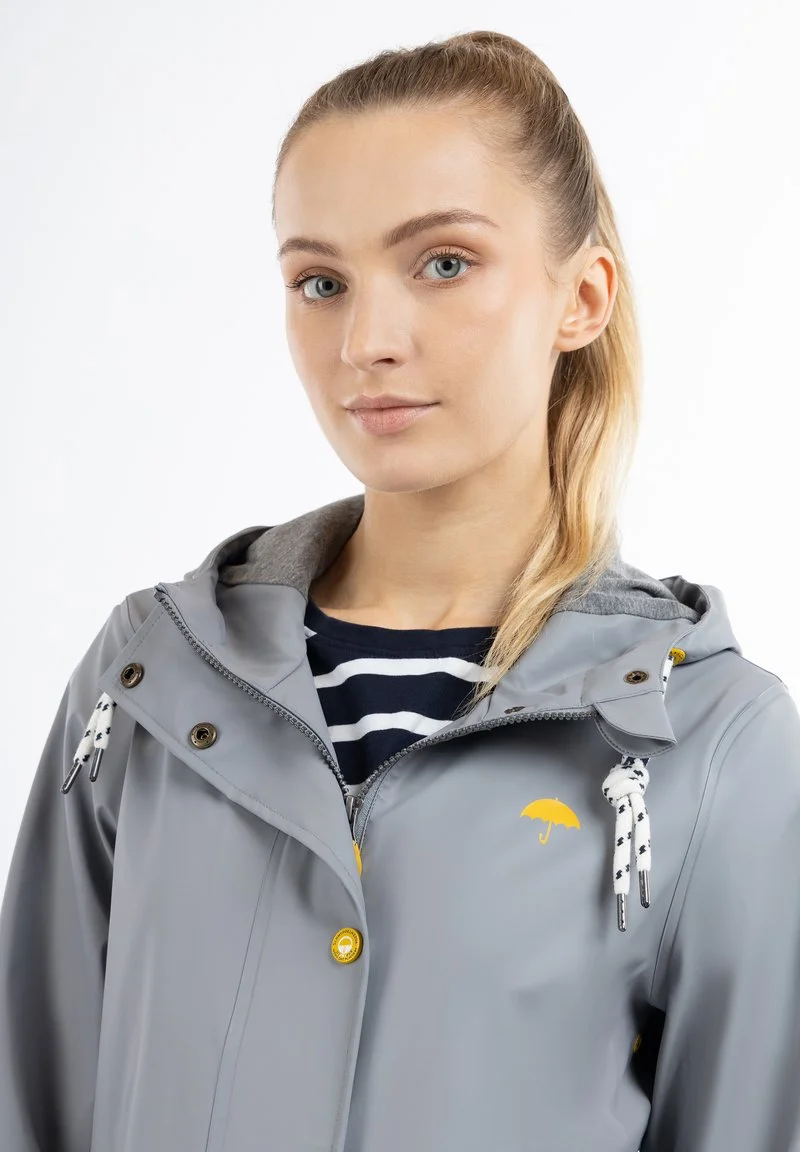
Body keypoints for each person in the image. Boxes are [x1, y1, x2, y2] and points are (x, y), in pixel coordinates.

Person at [1, 28, 799, 1152]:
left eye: (443, 264)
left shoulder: (710, 740)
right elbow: (28, 1098)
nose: (366, 341)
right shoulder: (147, 678)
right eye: (319, 282)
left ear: (581, 298)